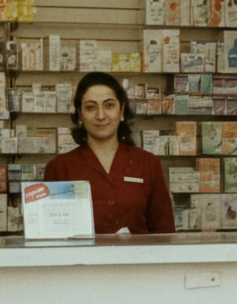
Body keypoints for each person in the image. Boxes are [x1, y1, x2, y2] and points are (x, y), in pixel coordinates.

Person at [44, 72, 175, 234]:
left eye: (109, 105)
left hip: (138, 259)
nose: (100, 116)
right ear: (80, 115)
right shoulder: (59, 168)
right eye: (90, 107)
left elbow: (164, 232)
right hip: (81, 260)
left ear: (121, 112)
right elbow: (50, 236)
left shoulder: (147, 163)